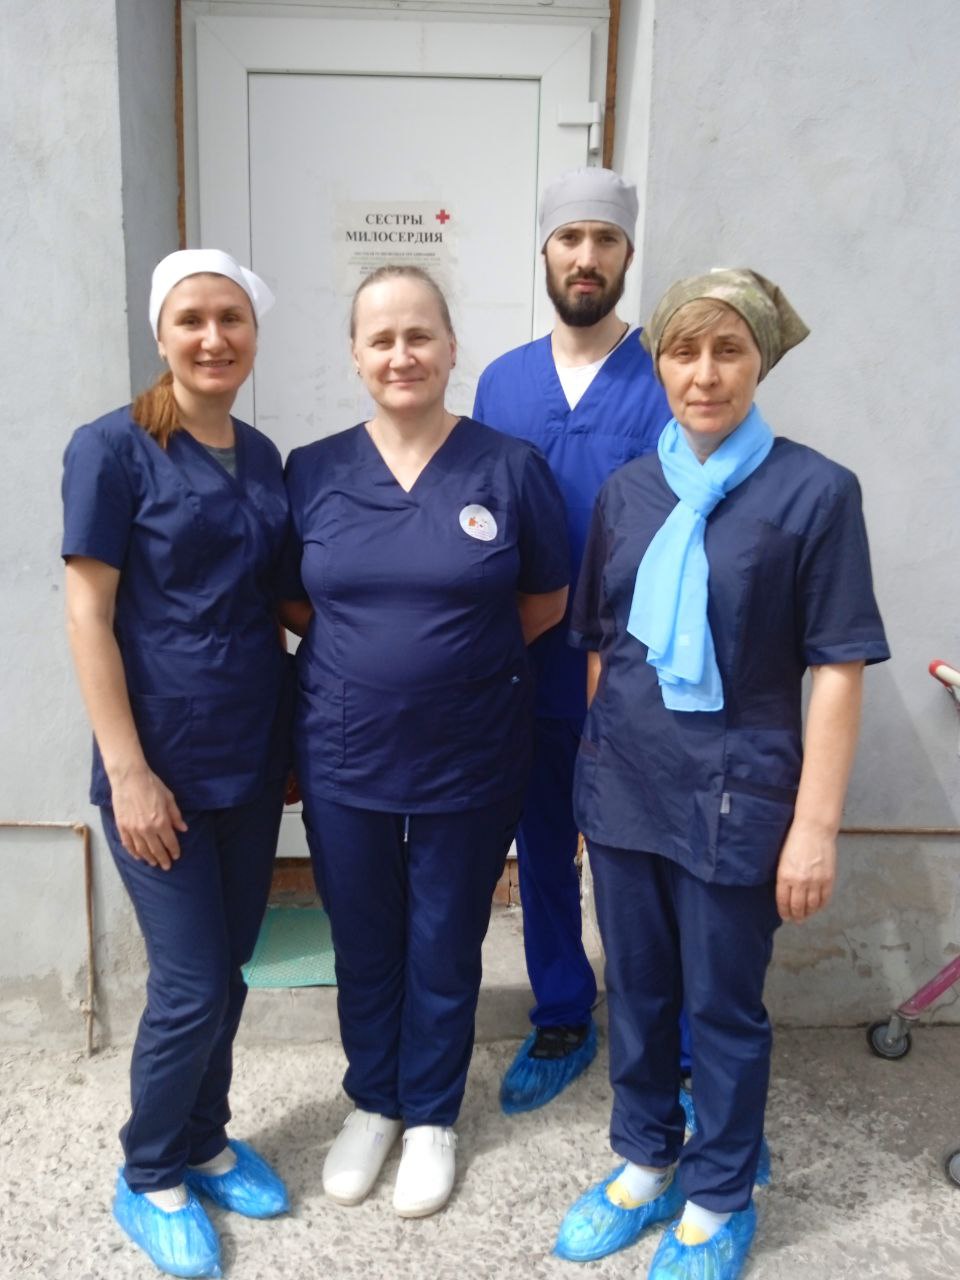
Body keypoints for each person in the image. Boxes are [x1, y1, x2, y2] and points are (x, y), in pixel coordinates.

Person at [553, 268, 889, 1278]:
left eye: (728, 350)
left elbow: (836, 669)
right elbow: (603, 646)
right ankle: (645, 1158)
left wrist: (814, 827)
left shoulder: (815, 492)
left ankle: (719, 1192)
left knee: (723, 1008)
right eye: (683, 351)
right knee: (636, 989)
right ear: (659, 364)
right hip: (625, 790)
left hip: (739, 796)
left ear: (761, 361)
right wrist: (596, 774)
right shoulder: (627, 490)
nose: (704, 374)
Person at [281, 265, 569, 1218]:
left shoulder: (510, 468)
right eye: (381, 339)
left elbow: (546, 598)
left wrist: (455, 660)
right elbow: (291, 599)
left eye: (419, 336)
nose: (401, 355)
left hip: (472, 752)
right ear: (356, 357)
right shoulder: (312, 470)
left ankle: (433, 1116)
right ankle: (374, 1102)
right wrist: (373, 655)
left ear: (450, 347)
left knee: (446, 939)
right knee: (364, 937)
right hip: (344, 752)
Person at [62, 249, 293, 1279]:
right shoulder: (112, 448)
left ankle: (205, 1137)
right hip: (156, 765)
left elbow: (274, 602)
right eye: (192, 318)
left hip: (249, 754)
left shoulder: (263, 454)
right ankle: (149, 1168)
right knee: (192, 982)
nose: (213, 337)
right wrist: (129, 771)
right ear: (161, 333)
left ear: (254, 335)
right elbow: (88, 614)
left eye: (231, 319)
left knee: (229, 971)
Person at [473, 167, 682, 1114]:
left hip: (643, 672)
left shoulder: (665, 376)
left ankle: (673, 1044)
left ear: (628, 253)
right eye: (570, 238)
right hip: (528, 664)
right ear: (547, 251)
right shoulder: (502, 382)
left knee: (650, 862)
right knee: (544, 845)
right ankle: (562, 1012)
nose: (586, 257)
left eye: (605, 239)